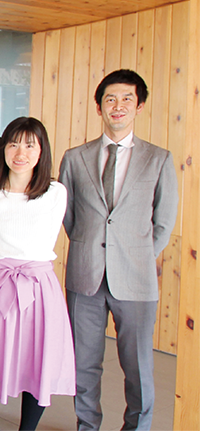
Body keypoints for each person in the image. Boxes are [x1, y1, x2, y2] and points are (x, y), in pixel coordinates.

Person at [59, 69, 178, 431]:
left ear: (139, 106)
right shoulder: (75, 157)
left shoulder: (159, 159)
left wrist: (138, 255)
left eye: (127, 98)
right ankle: (87, 425)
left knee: (138, 364)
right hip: (85, 274)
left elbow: (164, 222)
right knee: (85, 363)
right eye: (110, 99)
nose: (118, 105)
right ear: (99, 107)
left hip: (136, 279)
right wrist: (89, 247)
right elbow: (68, 215)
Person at [0, 117, 74, 431]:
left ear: (41, 151)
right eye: (14, 143)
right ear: (3, 149)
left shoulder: (55, 192)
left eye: (30, 145)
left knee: (37, 360)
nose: (20, 152)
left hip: (40, 286)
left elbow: (47, 241)